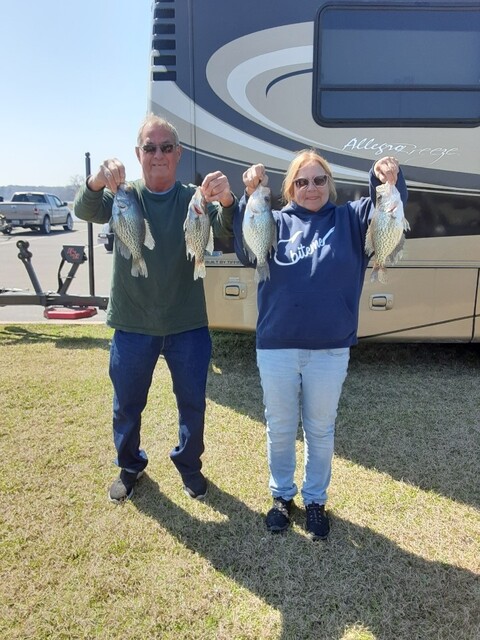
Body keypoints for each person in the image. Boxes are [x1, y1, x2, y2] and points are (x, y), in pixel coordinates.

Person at [234, 151, 407, 540]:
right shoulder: (273, 220)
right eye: (301, 182)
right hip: (277, 344)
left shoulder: (350, 218)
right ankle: (281, 496)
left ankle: (315, 500)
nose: (310, 188)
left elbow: (391, 208)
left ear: (329, 183)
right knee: (280, 427)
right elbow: (247, 252)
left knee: (319, 428)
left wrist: (386, 176)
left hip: (330, 348)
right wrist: (248, 196)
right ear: (290, 188)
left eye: (318, 180)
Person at [74, 114, 236, 503]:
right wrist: (98, 180)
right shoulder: (125, 197)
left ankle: (189, 465)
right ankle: (130, 465)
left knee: (193, 403)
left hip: (187, 325)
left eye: (166, 147)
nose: (158, 154)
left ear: (178, 154)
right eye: (150, 147)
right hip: (132, 324)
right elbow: (85, 208)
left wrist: (228, 199)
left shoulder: (192, 198)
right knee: (127, 404)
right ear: (138, 153)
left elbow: (227, 230)